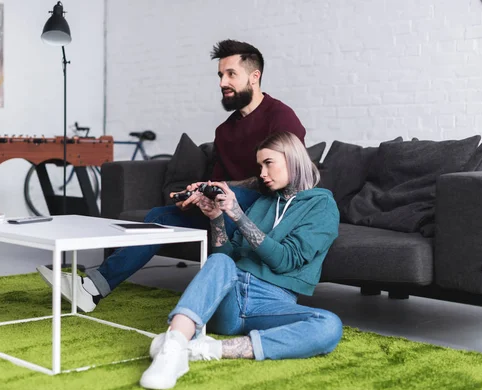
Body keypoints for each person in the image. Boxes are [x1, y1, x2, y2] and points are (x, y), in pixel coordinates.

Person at [36, 39, 307, 312]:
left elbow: (291, 175)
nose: (223, 82)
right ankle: (93, 289)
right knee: (159, 216)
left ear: (254, 76)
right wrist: (200, 194)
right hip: (224, 211)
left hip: (264, 212)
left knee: (223, 198)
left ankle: (92, 288)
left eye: (231, 74)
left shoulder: (281, 118)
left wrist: (221, 189)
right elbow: (218, 182)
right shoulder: (225, 131)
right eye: (220, 75)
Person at [139, 132, 342, 390]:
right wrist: (216, 218)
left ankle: (203, 349)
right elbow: (225, 257)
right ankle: (174, 344)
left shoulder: (322, 204)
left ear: (293, 159)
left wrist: (238, 215)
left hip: (271, 304)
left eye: (269, 163)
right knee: (221, 262)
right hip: (228, 300)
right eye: (260, 166)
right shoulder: (263, 202)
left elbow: (286, 261)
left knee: (329, 326)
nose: (262, 173)